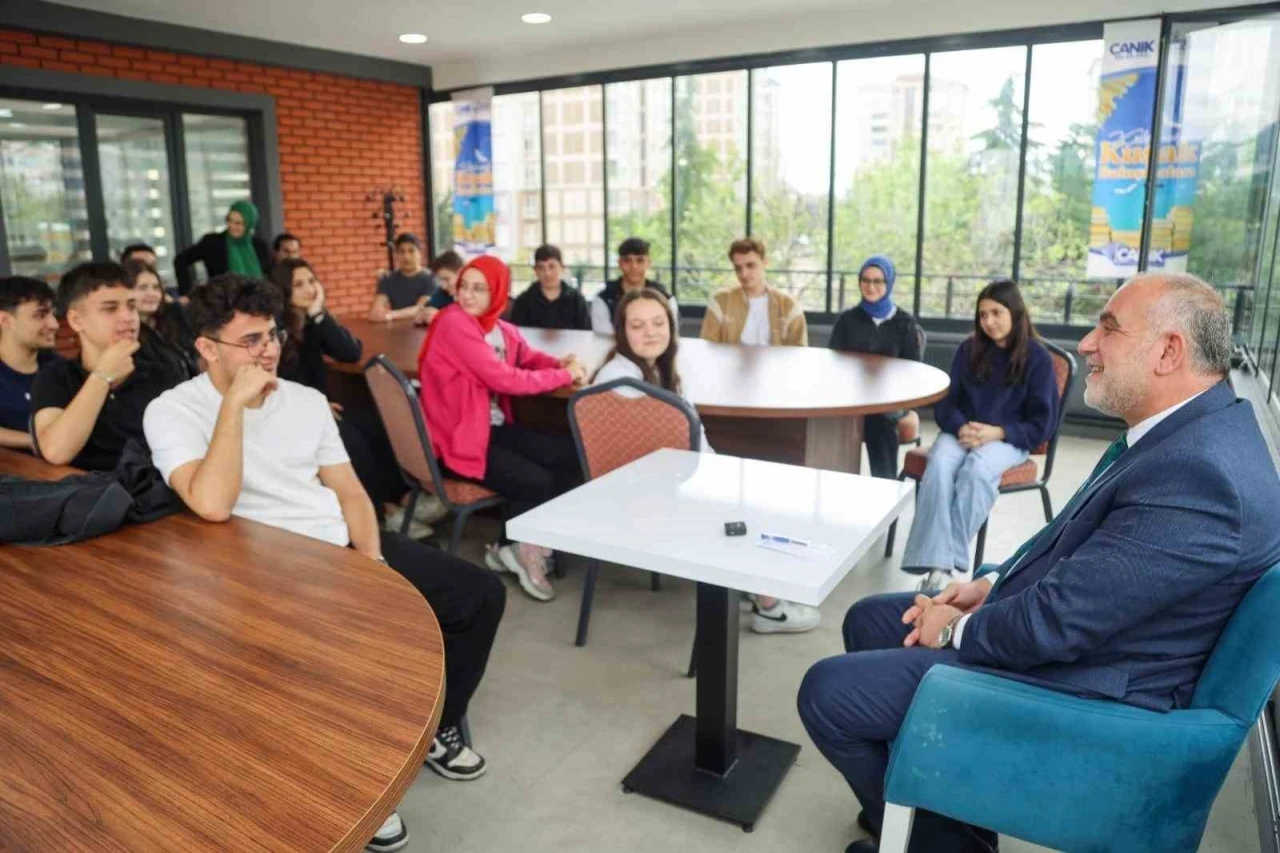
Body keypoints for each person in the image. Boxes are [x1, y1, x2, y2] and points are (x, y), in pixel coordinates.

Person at [797, 272, 1280, 853]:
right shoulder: (1187, 433)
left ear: (1168, 351)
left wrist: (953, 628)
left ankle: (943, 844)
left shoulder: (1201, 477)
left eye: (1108, 328)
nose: (1086, 345)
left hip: (1089, 689)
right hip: (1096, 636)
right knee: (869, 620)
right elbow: (1077, 548)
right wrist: (992, 583)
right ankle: (941, 822)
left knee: (828, 693)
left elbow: (1057, 623)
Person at [143, 274, 506, 852]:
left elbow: (352, 495)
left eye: (272, 335)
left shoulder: (307, 401)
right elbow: (211, 504)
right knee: (339, 652)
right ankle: (362, 785)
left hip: (335, 547)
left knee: (478, 595)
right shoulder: (172, 411)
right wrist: (233, 406)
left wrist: (372, 564)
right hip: (253, 566)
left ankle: (432, 729)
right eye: (251, 340)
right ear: (207, 348)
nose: (268, 351)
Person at [594, 288, 820, 633]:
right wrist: (718, 477)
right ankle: (769, 606)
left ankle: (756, 580)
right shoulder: (622, 383)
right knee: (749, 499)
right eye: (637, 325)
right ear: (622, 332)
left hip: (662, 485)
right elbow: (666, 456)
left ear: (671, 326)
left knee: (755, 484)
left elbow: (690, 444)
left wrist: (720, 472)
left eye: (658, 323)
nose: (650, 332)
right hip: (648, 499)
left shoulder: (656, 372)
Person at [419, 255, 587, 602]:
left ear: (498, 293)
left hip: (489, 430)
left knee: (572, 455)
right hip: (458, 442)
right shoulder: (453, 323)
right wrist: (564, 375)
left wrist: (560, 363)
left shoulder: (497, 327)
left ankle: (511, 545)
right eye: (464, 286)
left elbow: (527, 356)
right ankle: (522, 549)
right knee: (536, 481)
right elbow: (504, 379)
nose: (467, 295)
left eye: (479, 289)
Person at [900, 280, 1059, 592]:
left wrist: (998, 432)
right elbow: (947, 404)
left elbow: (1043, 424)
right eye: (983, 314)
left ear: (1015, 312)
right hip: (963, 432)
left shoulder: (1038, 358)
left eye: (996, 313)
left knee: (977, 469)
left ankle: (941, 567)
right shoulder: (968, 349)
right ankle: (943, 566)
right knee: (940, 463)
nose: (989, 321)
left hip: (1008, 439)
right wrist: (962, 427)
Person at [31, 262, 186, 470]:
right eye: (110, 308)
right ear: (76, 320)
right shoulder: (56, 377)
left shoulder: (163, 374)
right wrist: (102, 376)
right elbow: (56, 451)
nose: (128, 317)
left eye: (131, 306)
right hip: (90, 487)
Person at [829, 255, 924, 479]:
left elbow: (913, 371)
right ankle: (835, 484)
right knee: (825, 420)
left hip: (890, 398)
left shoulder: (905, 323)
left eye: (878, 281)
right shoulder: (847, 320)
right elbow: (832, 365)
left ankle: (885, 487)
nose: (870, 286)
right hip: (851, 396)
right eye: (865, 280)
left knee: (878, 419)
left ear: (889, 282)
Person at [700, 237, 808, 347]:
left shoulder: (789, 306)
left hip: (775, 359)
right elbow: (707, 347)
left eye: (750, 265)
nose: (744, 274)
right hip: (729, 359)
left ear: (765, 262)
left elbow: (799, 351)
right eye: (738, 268)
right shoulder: (720, 302)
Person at [0, 276, 60, 450]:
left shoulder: (60, 368)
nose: (54, 324)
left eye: (52, 314)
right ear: (5, 320)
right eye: (39, 315)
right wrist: (35, 442)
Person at [173, 201, 272, 297]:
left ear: (249, 225)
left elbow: (268, 277)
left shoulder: (259, 246)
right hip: (220, 304)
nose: (231, 226)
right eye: (229, 220)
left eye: (238, 223)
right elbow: (180, 260)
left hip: (256, 303)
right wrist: (187, 294)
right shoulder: (212, 243)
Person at [125, 258, 199, 380]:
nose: (152, 293)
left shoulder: (172, 318)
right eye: (142, 288)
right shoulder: (127, 334)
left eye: (156, 287)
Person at [591, 237, 678, 336]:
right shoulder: (604, 299)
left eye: (640, 261)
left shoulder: (665, 298)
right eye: (627, 261)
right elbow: (603, 333)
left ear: (648, 263)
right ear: (619, 263)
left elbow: (670, 331)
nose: (634, 266)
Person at [509, 244, 592, 330]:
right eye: (541, 267)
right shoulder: (524, 301)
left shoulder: (576, 300)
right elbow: (514, 334)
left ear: (562, 268)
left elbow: (586, 333)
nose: (547, 273)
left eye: (551, 266)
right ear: (535, 271)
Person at [369, 234, 436, 322]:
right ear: (396, 255)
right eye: (401, 252)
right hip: (396, 329)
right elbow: (374, 312)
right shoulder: (387, 279)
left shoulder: (431, 278)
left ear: (420, 253)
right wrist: (378, 314)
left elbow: (420, 309)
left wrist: (391, 314)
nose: (406, 256)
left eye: (411, 251)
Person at [421, 249, 464, 325]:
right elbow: (426, 308)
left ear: (461, 273)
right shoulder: (443, 292)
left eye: (446, 279)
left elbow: (469, 320)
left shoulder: (472, 296)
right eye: (440, 280)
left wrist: (440, 316)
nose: (443, 286)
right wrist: (424, 315)